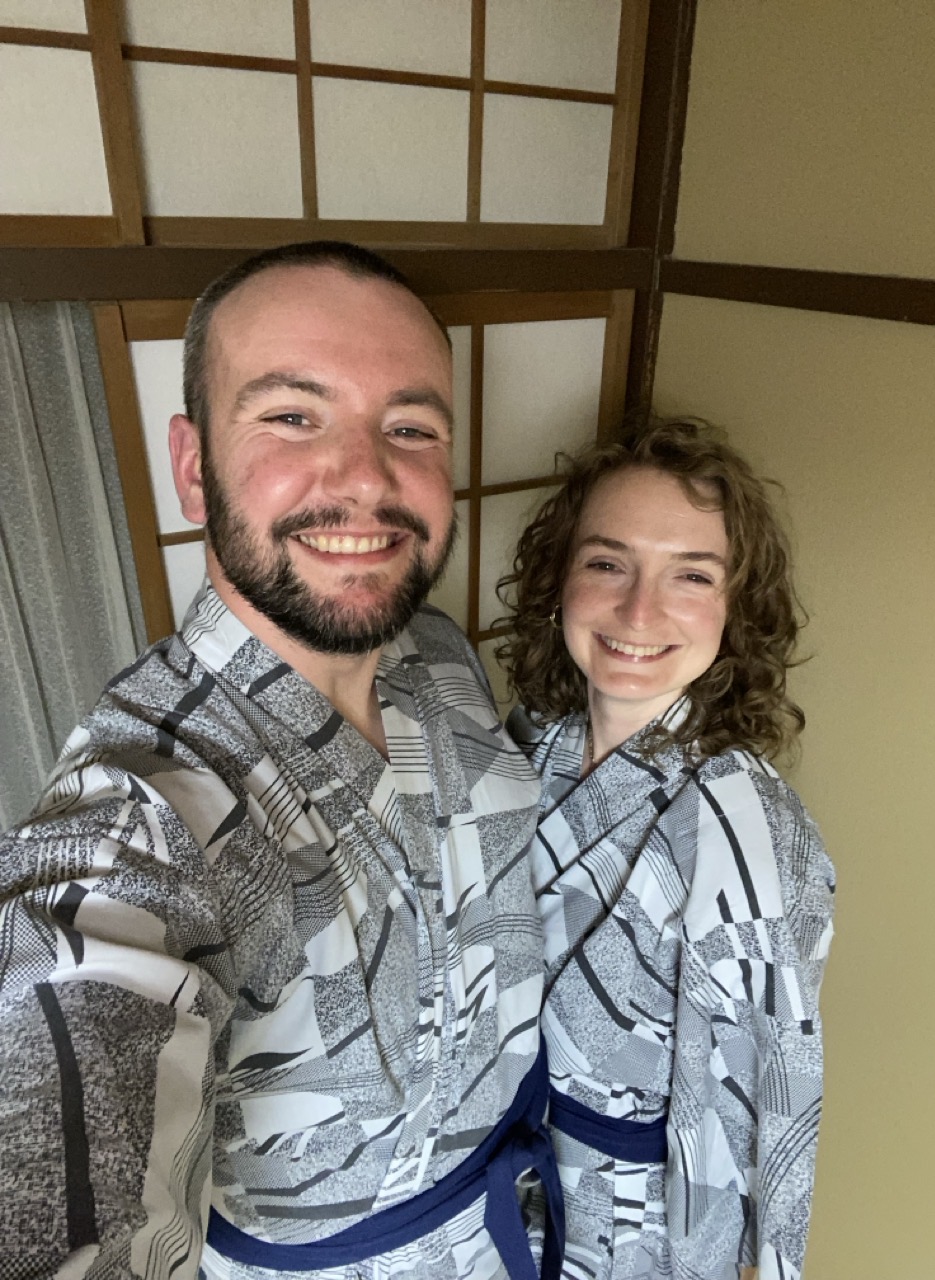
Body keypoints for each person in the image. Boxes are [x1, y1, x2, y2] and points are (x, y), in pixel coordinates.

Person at [0, 242, 562, 1280]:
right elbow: (67, 1107)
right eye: (292, 415)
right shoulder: (141, 811)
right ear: (191, 462)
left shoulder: (438, 654)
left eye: (411, 426)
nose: (364, 474)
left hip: (527, 1222)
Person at [497, 420, 835, 1280]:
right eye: (607, 562)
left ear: (736, 607)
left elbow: (768, 1094)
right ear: (560, 577)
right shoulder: (526, 746)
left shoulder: (750, 825)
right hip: (496, 1179)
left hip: (635, 1229)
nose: (638, 612)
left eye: (691, 576)